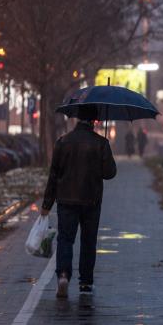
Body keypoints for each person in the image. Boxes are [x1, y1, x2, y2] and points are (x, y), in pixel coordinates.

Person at [41, 106, 117, 298]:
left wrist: (46, 204)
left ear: (77, 119)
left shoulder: (63, 142)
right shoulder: (100, 143)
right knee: (88, 241)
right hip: (91, 200)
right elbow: (110, 173)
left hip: (66, 200)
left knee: (66, 239)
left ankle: (64, 275)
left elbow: (54, 176)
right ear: (94, 121)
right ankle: (85, 283)